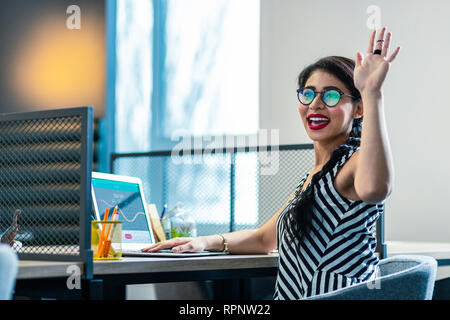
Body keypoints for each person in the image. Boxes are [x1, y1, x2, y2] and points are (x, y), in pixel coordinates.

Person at [142, 27, 400, 299]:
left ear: (358, 109)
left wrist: (372, 93)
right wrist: (203, 242)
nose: (316, 104)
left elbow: (375, 188)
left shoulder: (353, 164)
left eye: (332, 95)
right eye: (309, 94)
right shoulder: (314, 178)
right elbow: (265, 238)